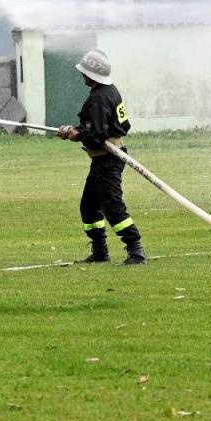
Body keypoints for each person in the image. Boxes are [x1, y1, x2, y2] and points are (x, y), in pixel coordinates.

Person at [56, 49, 147, 264]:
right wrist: (73, 130)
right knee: (88, 206)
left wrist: (77, 136)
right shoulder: (109, 91)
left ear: (92, 75)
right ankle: (100, 251)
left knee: (112, 205)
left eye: (85, 73)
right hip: (103, 159)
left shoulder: (98, 98)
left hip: (108, 159)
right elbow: (102, 127)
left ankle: (136, 250)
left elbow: (96, 136)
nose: (82, 76)